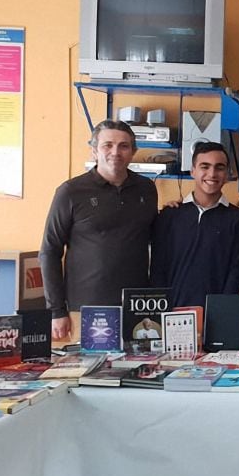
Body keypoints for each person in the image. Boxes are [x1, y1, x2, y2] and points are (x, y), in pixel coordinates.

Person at [39, 119, 158, 341]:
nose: (116, 152)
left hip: (137, 309)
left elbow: (154, 237)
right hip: (85, 309)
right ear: (94, 151)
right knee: (86, 373)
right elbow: (49, 251)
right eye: (107, 145)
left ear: (133, 152)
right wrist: (56, 310)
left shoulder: (146, 189)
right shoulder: (70, 191)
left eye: (124, 146)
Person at [150, 141, 239, 309]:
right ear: (193, 171)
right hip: (172, 313)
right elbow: (158, 268)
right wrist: (163, 308)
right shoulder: (170, 215)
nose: (212, 173)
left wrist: (219, 309)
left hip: (217, 314)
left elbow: (237, 271)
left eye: (219, 167)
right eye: (205, 166)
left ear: (227, 174)